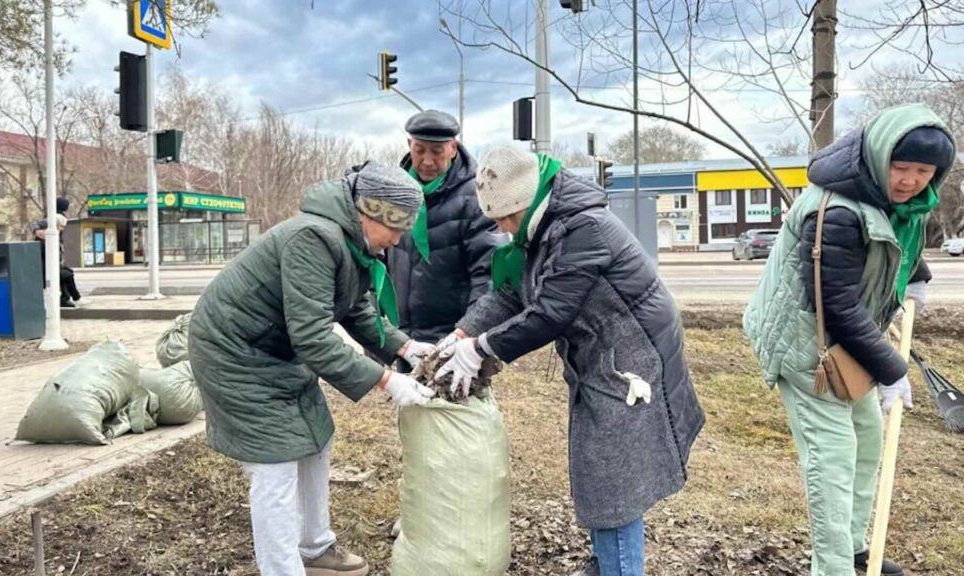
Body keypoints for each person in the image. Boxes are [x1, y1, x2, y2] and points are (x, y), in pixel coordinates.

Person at [437, 147, 704, 576]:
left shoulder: (583, 229)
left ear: (527, 202)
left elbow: (550, 314)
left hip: (632, 355)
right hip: (598, 353)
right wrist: (464, 333)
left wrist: (481, 349)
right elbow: (510, 294)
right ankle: (606, 562)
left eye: (506, 218)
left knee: (615, 482)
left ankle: (619, 569)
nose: (503, 230)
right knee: (597, 468)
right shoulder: (538, 229)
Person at [188, 162, 437, 576]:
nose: (397, 240)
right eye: (394, 229)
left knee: (315, 439)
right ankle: (283, 569)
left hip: (274, 349)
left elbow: (355, 308)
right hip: (233, 353)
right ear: (369, 214)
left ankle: (315, 547)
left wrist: (407, 347)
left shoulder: (350, 243)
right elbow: (314, 338)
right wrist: (388, 380)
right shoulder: (313, 238)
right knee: (275, 466)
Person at [743, 103, 956, 576]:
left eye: (924, 171)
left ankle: (856, 550)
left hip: (846, 345)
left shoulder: (899, 201)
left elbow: (894, 244)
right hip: (806, 348)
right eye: (902, 168)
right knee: (832, 461)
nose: (911, 181)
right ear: (881, 158)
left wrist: (915, 272)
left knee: (867, 439)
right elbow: (836, 307)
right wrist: (891, 370)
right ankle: (833, 567)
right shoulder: (837, 210)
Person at [387, 109, 500, 347]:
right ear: (410, 145)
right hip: (403, 339)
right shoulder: (394, 192)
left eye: (437, 152)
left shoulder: (477, 198)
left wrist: (467, 334)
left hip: (453, 339)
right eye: (419, 150)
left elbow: (489, 275)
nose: (427, 161)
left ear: (453, 148)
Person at [31, 200, 82, 308]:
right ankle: (72, 297)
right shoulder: (49, 227)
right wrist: (37, 231)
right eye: (61, 227)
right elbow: (47, 259)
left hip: (50, 267)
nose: (62, 229)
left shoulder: (53, 233)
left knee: (66, 273)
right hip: (45, 270)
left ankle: (67, 298)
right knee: (66, 274)